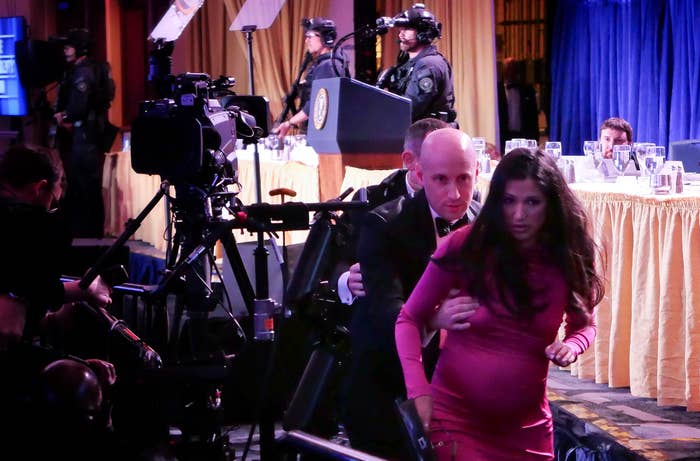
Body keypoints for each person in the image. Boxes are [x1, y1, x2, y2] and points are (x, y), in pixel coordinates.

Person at [395, 147, 605, 460]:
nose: (519, 214)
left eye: (532, 202)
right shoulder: (467, 245)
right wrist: (419, 392)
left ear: (551, 204)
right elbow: (408, 319)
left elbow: (585, 325)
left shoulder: (568, 256)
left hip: (529, 430)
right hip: (455, 421)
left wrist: (572, 346)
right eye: (509, 201)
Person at [343, 128, 481, 459]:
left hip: (462, 389)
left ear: (477, 173)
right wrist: (435, 318)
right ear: (419, 175)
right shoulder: (384, 225)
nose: (455, 193)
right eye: (441, 180)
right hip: (387, 390)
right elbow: (385, 314)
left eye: (464, 179)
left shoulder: (485, 223)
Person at [0, 144, 116, 458]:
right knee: (88, 377)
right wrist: (85, 290)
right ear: (41, 188)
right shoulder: (27, 221)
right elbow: (35, 288)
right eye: (55, 196)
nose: (55, 204)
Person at [334, 117, 449, 304]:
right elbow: (339, 257)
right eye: (436, 159)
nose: (446, 167)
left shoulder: (467, 202)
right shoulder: (372, 201)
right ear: (409, 161)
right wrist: (347, 280)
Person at [54, 28, 115, 238]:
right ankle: (87, 232)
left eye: (69, 46)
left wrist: (64, 116)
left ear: (80, 48)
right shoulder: (91, 69)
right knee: (85, 184)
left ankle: (87, 233)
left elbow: (78, 106)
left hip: (84, 135)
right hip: (88, 135)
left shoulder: (83, 72)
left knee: (85, 184)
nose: (65, 50)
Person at [378, 3, 456, 124]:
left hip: (429, 132)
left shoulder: (429, 64)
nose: (401, 34)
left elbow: (410, 108)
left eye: (407, 29)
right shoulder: (408, 63)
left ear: (423, 33)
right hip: (416, 130)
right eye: (401, 29)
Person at [275, 17, 351, 138]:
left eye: (309, 36)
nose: (306, 41)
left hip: (322, 134)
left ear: (326, 37)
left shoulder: (328, 66)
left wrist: (289, 123)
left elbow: (317, 104)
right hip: (320, 131)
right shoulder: (326, 63)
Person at [498, 57, 539, 154]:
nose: (511, 72)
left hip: (524, 137)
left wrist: (535, 139)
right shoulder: (496, 90)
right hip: (503, 137)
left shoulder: (528, 90)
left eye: (513, 69)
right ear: (503, 71)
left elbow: (533, 116)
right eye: (508, 69)